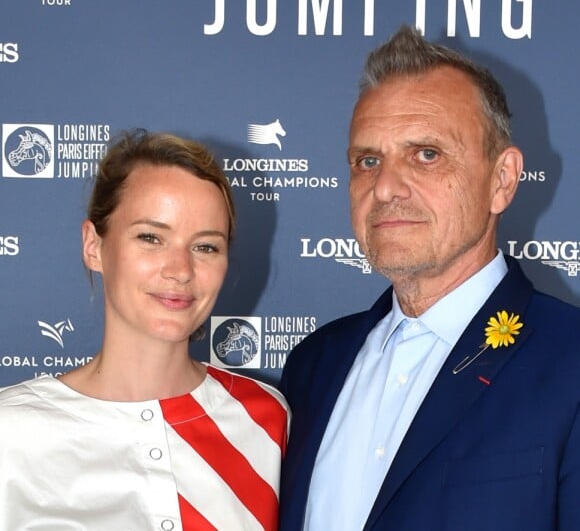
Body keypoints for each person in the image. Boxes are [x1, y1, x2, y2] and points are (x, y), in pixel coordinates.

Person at [278, 26, 580, 530]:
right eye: (367, 161)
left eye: (426, 155)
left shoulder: (570, 361)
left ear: (501, 180)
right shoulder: (314, 364)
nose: (386, 188)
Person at [0, 130, 289, 530]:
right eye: (151, 238)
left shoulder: (267, 420)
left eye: (205, 246)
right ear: (94, 246)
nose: (180, 270)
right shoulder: (10, 432)